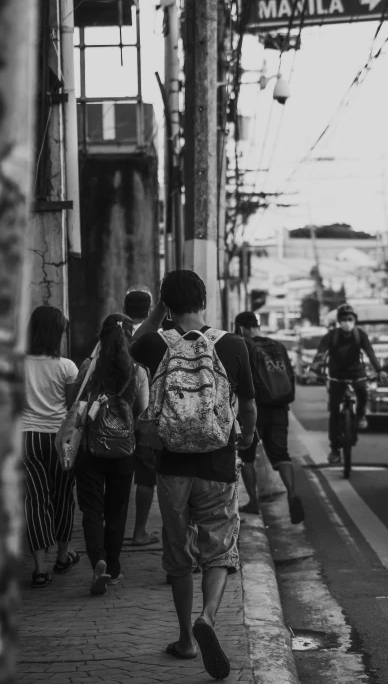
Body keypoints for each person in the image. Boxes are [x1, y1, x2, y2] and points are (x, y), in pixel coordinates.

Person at [131, 270, 256, 681]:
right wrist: (245, 440)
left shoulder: (154, 343)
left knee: (178, 554)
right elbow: (250, 407)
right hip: (218, 465)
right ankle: (208, 617)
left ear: (166, 304)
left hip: (171, 468)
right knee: (219, 547)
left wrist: (156, 314)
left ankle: (185, 639)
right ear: (204, 301)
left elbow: (133, 342)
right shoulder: (233, 344)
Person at [74, 313, 149, 595]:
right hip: (123, 451)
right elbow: (143, 412)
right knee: (117, 510)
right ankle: (114, 568)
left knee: (92, 509)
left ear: (101, 337)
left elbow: (75, 405)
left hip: (90, 450)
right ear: (129, 338)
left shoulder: (88, 368)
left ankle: (99, 560)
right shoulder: (138, 371)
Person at [21, 305, 81, 587]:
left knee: (34, 500)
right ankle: (62, 555)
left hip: (27, 438)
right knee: (63, 496)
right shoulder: (66, 366)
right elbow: (71, 408)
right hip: (62, 439)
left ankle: (39, 568)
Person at [234, 311, 305, 525]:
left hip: (255, 408)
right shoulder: (278, 345)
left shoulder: (243, 345)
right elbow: (290, 375)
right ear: (257, 325)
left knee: (246, 454)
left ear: (241, 327)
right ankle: (292, 492)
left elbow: (241, 379)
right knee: (281, 453)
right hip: (280, 407)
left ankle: (254, 502)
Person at [311, 303, 388, 464]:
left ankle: (360, 415)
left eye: (349, 319)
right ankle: (334, 448)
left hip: (356, 373)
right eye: (343, 319)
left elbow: (370, 353)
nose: (347, 322)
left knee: (362, 391)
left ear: (354, 320)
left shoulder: (360, 335)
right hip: (336, 375)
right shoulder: (331, 336)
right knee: (333, 410)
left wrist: (380, 370)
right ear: (338, 321)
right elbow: (320, 354)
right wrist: (313, 369)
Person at [124, 286, 159, 546]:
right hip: (146, 415)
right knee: (146, 476)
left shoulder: (113, 334)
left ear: (125, 308)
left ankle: (112, 530)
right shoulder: (155, 338)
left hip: (115, 416)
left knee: (118, 474)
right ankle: (139, 531)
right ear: (150, 310)